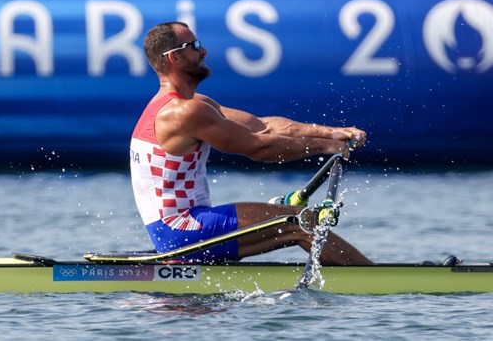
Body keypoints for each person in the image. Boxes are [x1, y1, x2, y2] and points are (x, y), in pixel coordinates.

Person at [129, 21, 373, 265]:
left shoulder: (189, 104)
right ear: (174, 58)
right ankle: (375, 282)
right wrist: (324, 147)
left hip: (181, 230)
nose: (204, 52)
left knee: (296, 221)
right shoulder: (183, 112)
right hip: (182, 229)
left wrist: (331, 133)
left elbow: (262, 126)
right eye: (194, 45)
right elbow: (260, 147)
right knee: (302, 222)